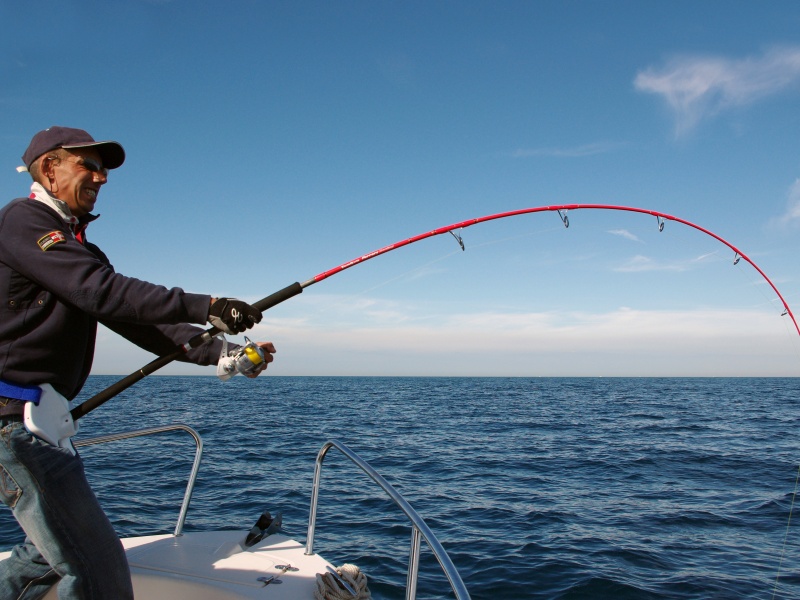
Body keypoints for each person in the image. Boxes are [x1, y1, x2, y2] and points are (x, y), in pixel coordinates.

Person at [0, 126, 276, 599]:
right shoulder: (22, 221)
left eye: (104, 169)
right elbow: (101, 290)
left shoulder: (79, 250)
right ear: (49, 168)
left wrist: (224, 354)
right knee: (97, 572)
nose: (101, 177)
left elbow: (140, 324)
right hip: (15, 423)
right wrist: (206, 304)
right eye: (89, 165)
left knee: (44, 554)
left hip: (41, 424)